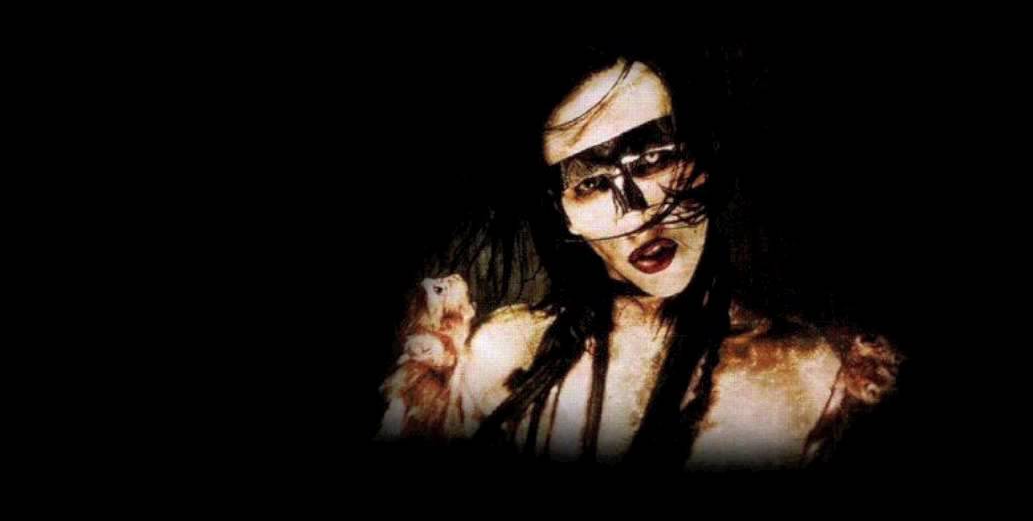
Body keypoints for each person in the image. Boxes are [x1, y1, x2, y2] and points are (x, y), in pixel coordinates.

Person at [378, 46, 901, 470]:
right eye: (591, 183)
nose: (639, 212)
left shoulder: (806, 373)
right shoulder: (502, 358)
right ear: (562, 214)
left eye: (654, 158)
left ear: (704, 156)